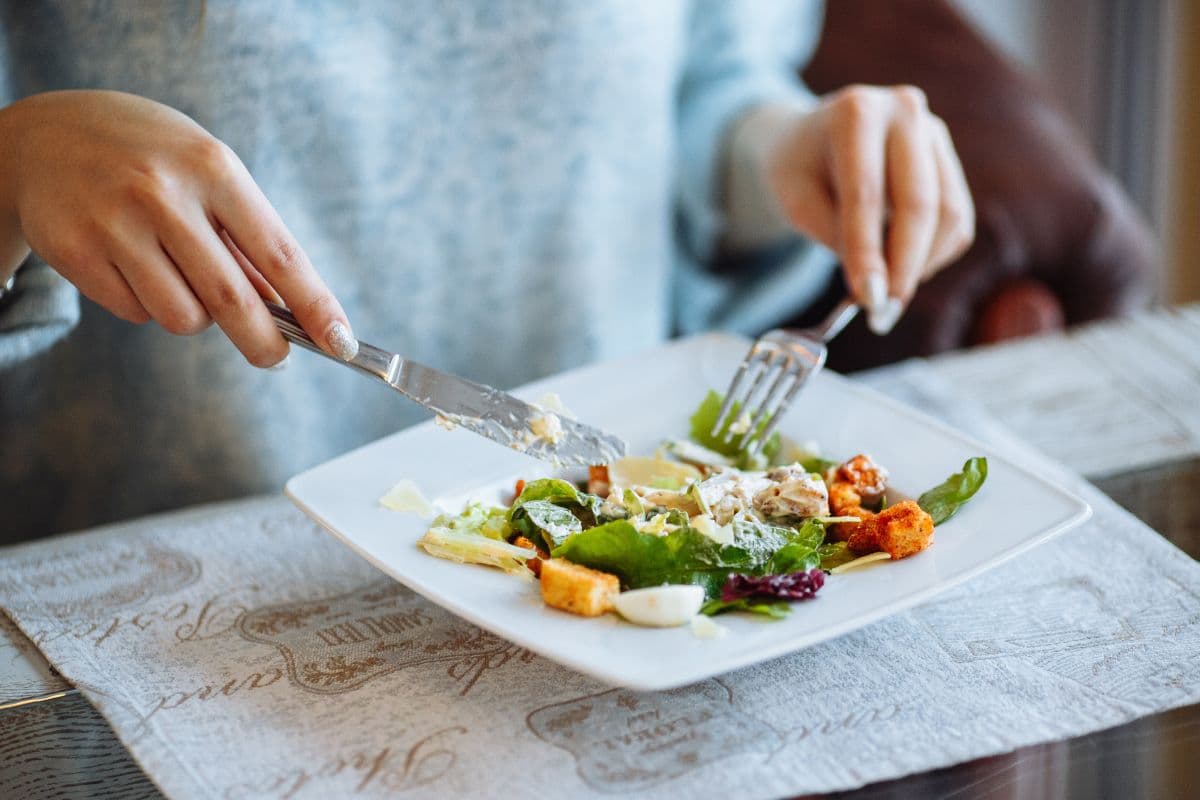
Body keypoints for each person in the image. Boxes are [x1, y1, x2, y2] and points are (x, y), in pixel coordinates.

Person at [0, 1, 972, 541]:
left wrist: (783, 150)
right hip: (161, 569)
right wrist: (12, 167)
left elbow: (705, 79)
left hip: (617, 544)